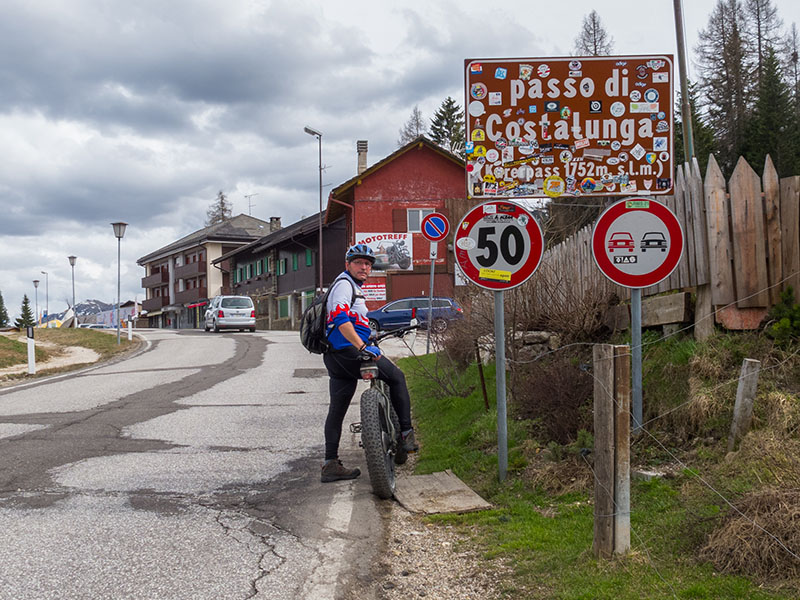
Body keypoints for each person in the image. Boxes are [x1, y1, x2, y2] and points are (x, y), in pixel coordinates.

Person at [320, 243, 418, 483]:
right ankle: (406, 434)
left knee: (337, 409)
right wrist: (362, 346)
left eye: (368, 264)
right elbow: (340, 319)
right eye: (359, 263)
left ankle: (330, 463)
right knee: (397, 377)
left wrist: (368, 335)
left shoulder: (349, 285)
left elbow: (353, 318)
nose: (364, 267)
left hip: (335, 356)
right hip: (350, 352)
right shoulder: (344, 285)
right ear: (348, 265)